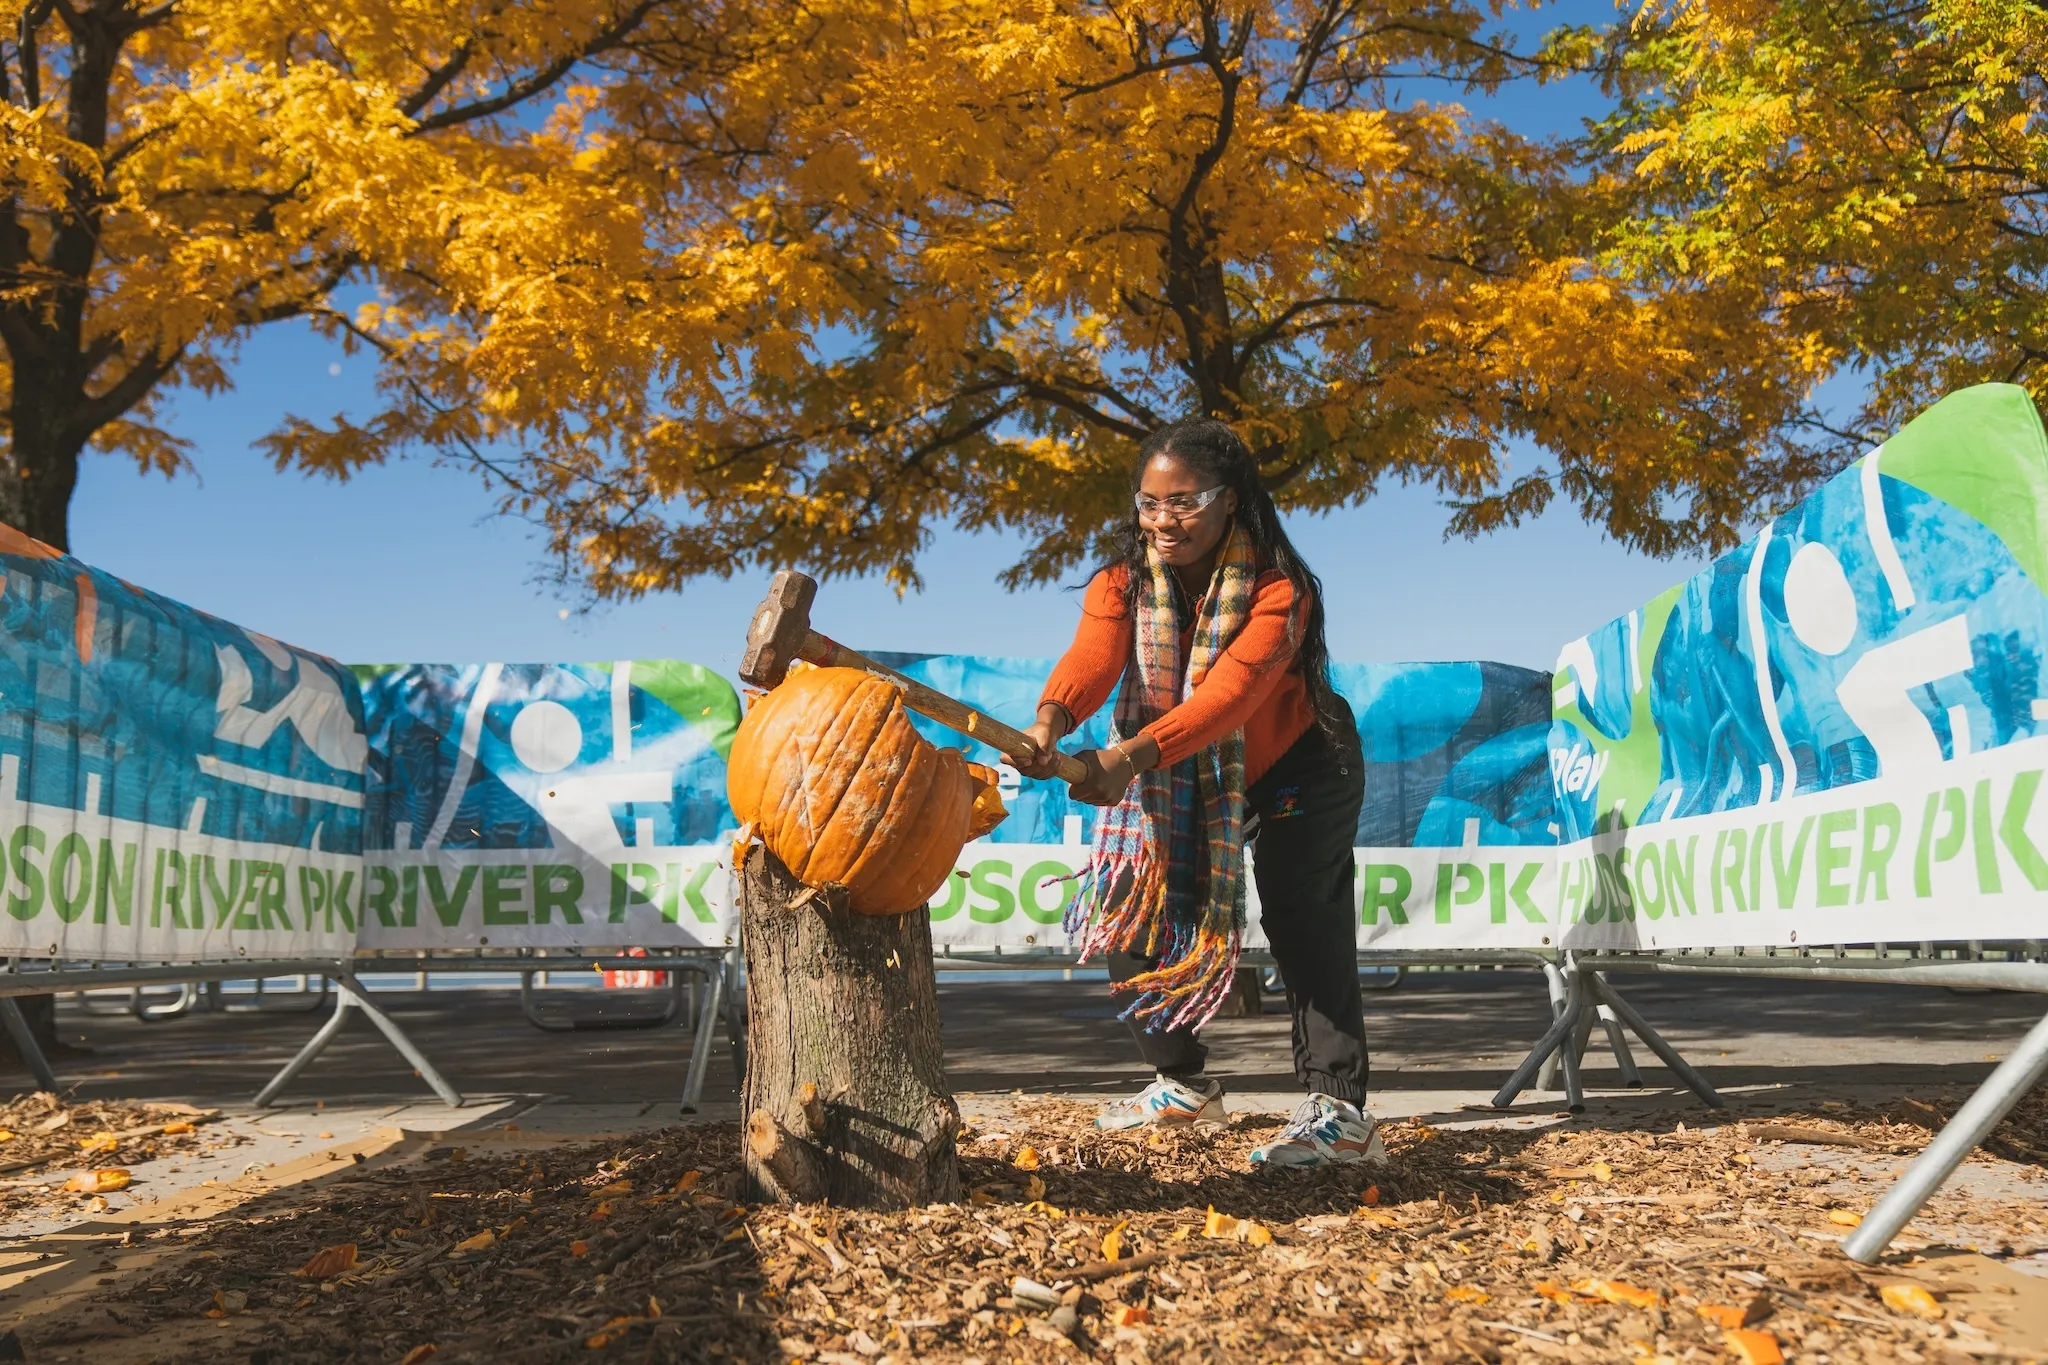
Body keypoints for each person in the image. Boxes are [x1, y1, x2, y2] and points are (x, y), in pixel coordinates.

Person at [1015, 416, 1380, 1169]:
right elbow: (1093, 654)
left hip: (1302, 762)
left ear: (1231, 500)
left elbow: (1232, 695)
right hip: (1181, 768)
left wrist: (1133, 754)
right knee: (1132, 902)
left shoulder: (1280, 591)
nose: (1161, 520)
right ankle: (1181, 1083)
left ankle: (1337, 1108)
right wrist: (1050, 719)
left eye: (1182, 502)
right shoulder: (1121, 580)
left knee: (1299, 907)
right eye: (1149, 502)